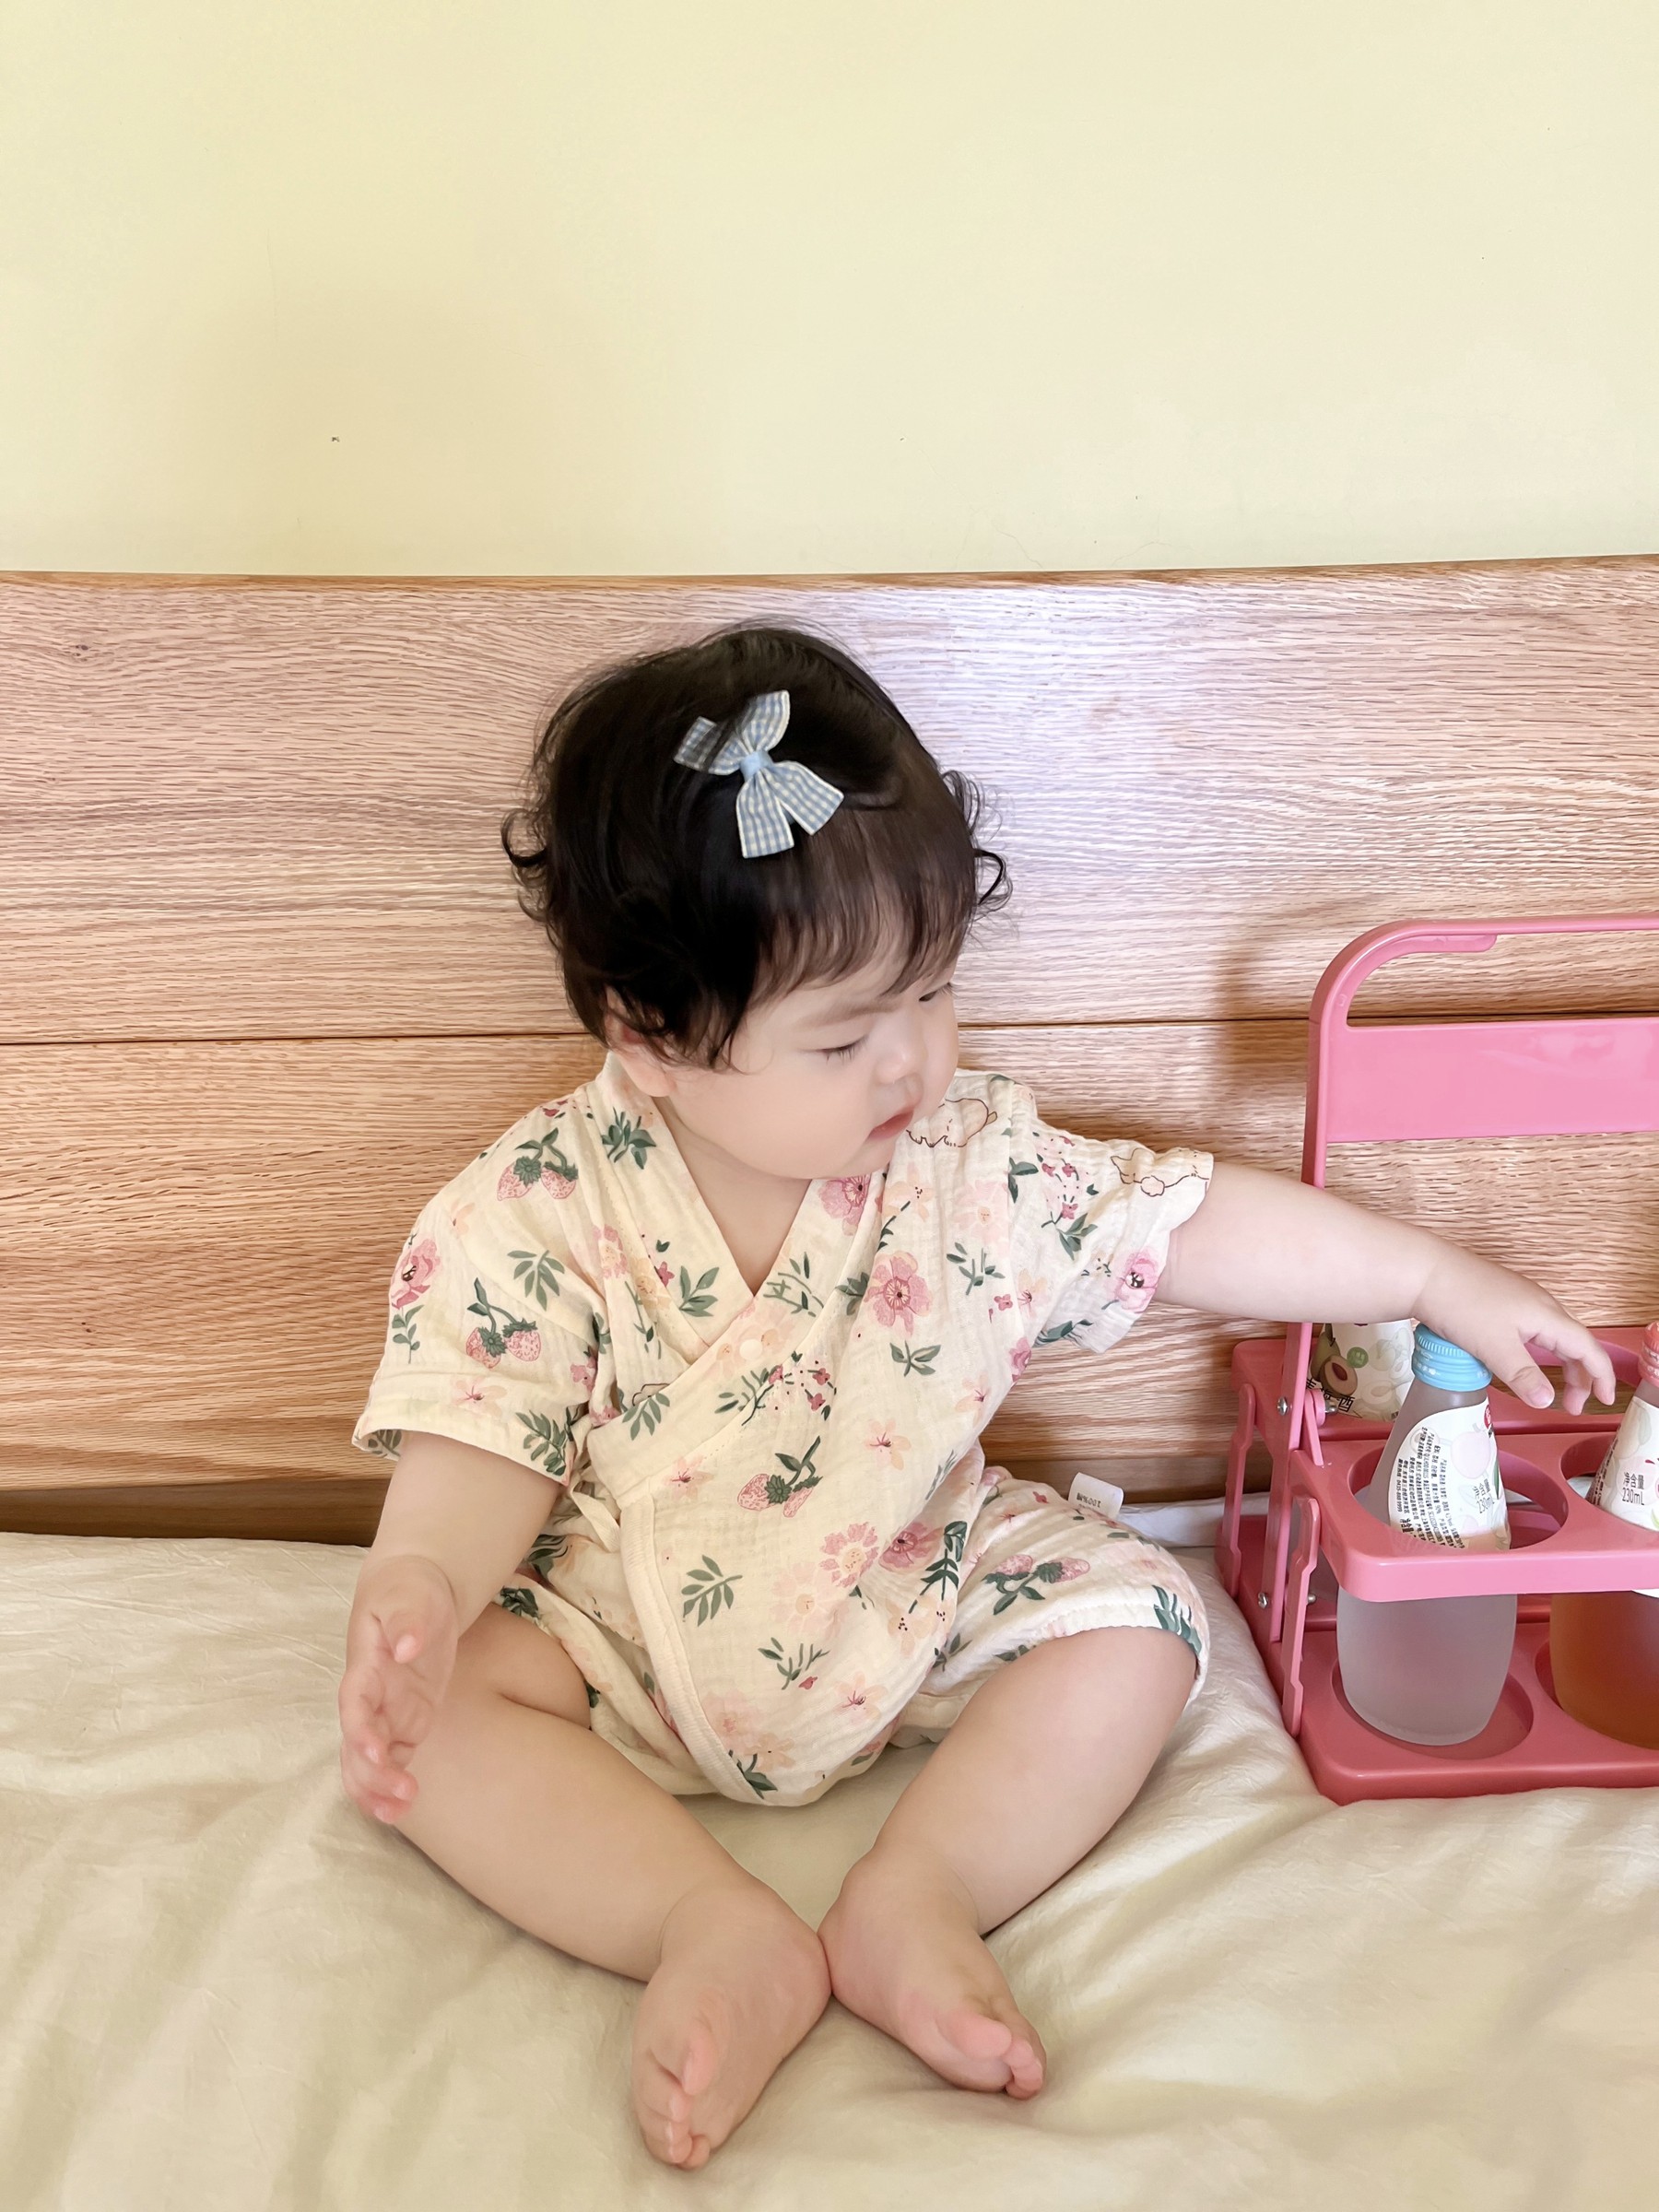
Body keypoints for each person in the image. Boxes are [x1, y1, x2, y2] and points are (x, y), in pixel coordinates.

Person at [336, 626, 1614, 2170]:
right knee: (429, 1725)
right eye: (843, 1036)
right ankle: (702, 1924)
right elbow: (484, 1429)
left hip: (913, 1577)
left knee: (1145, 1623)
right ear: (648, 1036)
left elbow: (1183, 1222)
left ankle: (918, 1894)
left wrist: (1425, 1278)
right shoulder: (536, 1209)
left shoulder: (967, 1166)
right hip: (625, 1627)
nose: (914, 1065)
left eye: (934, 992)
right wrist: (425, 1579)